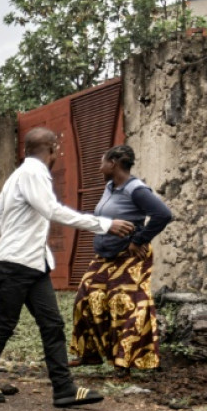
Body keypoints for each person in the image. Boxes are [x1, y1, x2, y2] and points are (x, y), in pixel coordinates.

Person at [0, 127, 134, 407]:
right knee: (5, 323)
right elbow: (52, 210)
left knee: (52, 324)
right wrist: (105, 224)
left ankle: (64, 389)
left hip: (34, 264)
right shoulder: (33, 173)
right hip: (14, 264)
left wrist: (16, 233)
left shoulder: (17, 175)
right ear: (53, 148)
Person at [70, 145, 173, 379]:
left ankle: (124, 363)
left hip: (129, 256)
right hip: (105, 255)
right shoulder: (110, 187)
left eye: (102, 163)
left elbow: (163, 215)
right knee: (85, 297)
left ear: (113, 163)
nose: (99, 168)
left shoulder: (136, 189)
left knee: (123, 304)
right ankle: (89, 354)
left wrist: (139, 240)